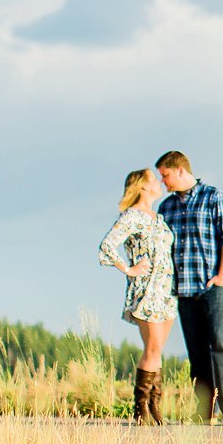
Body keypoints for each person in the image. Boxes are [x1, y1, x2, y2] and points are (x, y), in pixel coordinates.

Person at [155, 150, 223, 423]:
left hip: (215, 287)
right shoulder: (166, 208)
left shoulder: (214, 197)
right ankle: (205, 410)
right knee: (197, 352)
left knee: (221, 345)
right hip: (184, 291)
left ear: (180, 170)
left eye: (165, 176)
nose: (163, 183)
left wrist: (222, 276)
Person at [97, 167, 176, 425]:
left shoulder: (158, 218)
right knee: (152, 347)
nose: (158, 183)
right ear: (142, 186)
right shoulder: (132, 216)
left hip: (166, 291)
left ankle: (155, 404)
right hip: (147, 289)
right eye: (154, 179)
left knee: (158, 349)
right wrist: (128, 269)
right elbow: (107, 244)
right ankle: (140, 406)